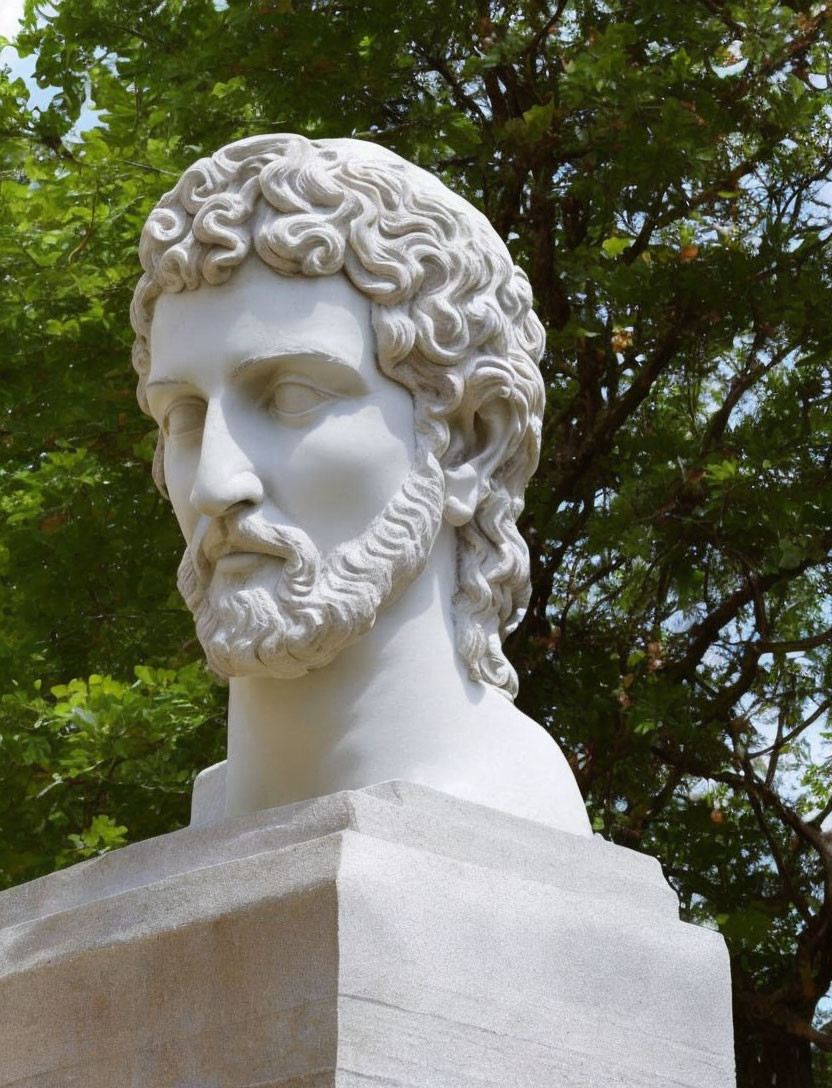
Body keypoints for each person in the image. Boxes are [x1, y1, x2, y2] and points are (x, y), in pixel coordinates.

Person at [131, 134, 590, 834]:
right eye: (185, 418)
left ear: (469, 442)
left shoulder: (513, 811)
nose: (215, 486)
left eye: (292, 399)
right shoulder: (201, 820)